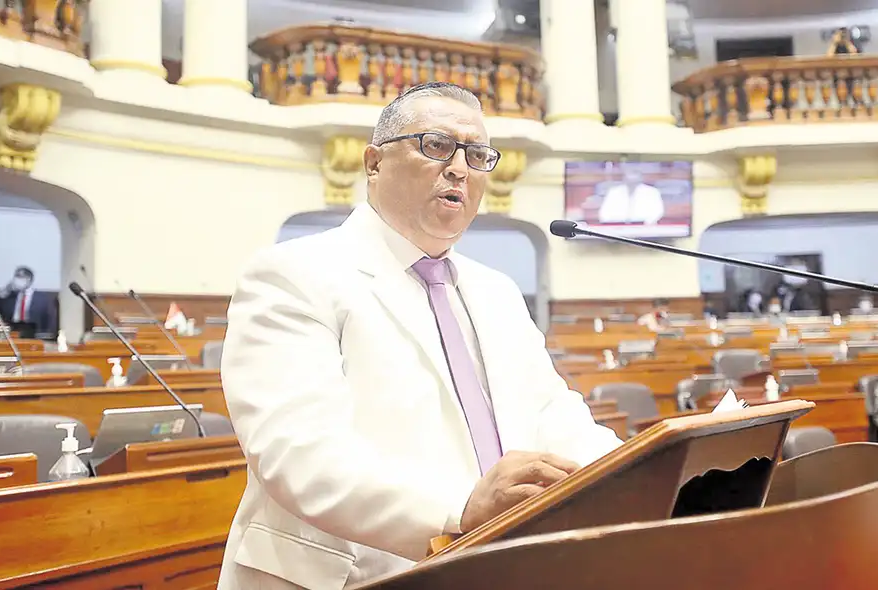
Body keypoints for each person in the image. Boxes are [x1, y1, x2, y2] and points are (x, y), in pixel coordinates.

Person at [217, 82, 623, 590]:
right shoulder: (293, 274)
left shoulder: (494, 290)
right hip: (350, 576)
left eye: (477, 155)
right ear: (373, 162)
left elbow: (553, 414)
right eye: (436, 146)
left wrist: (641, 470)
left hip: (493, 564)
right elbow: (298, 453)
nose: (460, 168)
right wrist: (461, 508)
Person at [0, 266, 55, 338]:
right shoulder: (10, 296)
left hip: (33, 332)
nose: (17, 280)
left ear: (29, 279)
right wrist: (2, 295)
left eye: (21, 277)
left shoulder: (42, 298)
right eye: (17, 276)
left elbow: (49, 319)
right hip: (12, 330)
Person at [596, 166, 665, 225]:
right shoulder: (614, 192)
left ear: (640, 180)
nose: (632, 184)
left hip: (644, 228)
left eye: (634, 182)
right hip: (617, 228)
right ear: (624, 180)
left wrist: (647, 223)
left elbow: (658, 212)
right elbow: (604, 213)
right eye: (629, 181)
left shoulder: (652, 192)